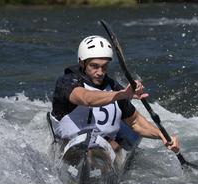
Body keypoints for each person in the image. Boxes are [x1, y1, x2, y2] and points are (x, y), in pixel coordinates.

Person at [50, 35, 179, 154]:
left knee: (119, 137)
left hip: (102, 147)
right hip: (70, 143)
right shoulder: (66, 81)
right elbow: (86, 98)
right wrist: (121, 95)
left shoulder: (112, 86)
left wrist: (162, 135)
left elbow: (135, 122)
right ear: (82, 63)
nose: (100, 72)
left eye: (104, 67)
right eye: (94, 66)